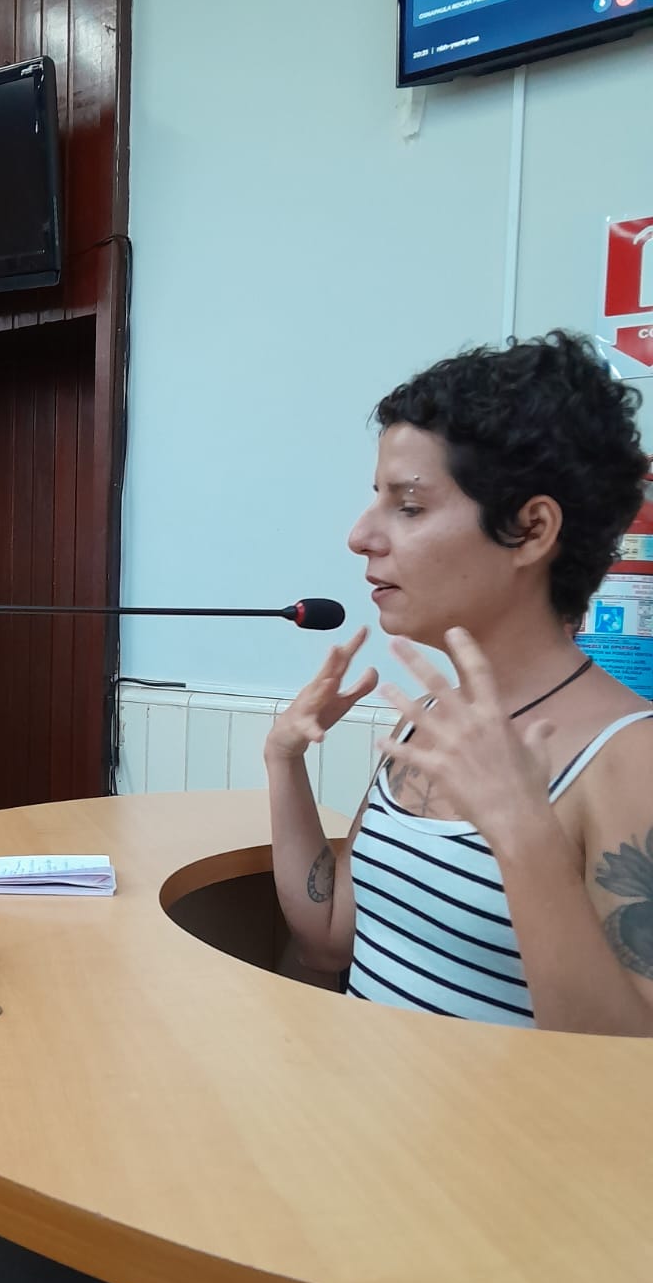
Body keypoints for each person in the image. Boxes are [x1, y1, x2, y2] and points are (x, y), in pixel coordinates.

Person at [265, 330, 653, 1036]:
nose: (360, 536)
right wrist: (283, 759)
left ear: (531, 530)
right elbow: (328, 938)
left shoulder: (630, 758)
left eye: (409, 506)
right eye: (377, 499)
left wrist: (523, 832)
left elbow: (629, 1073)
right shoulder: (432, 720)